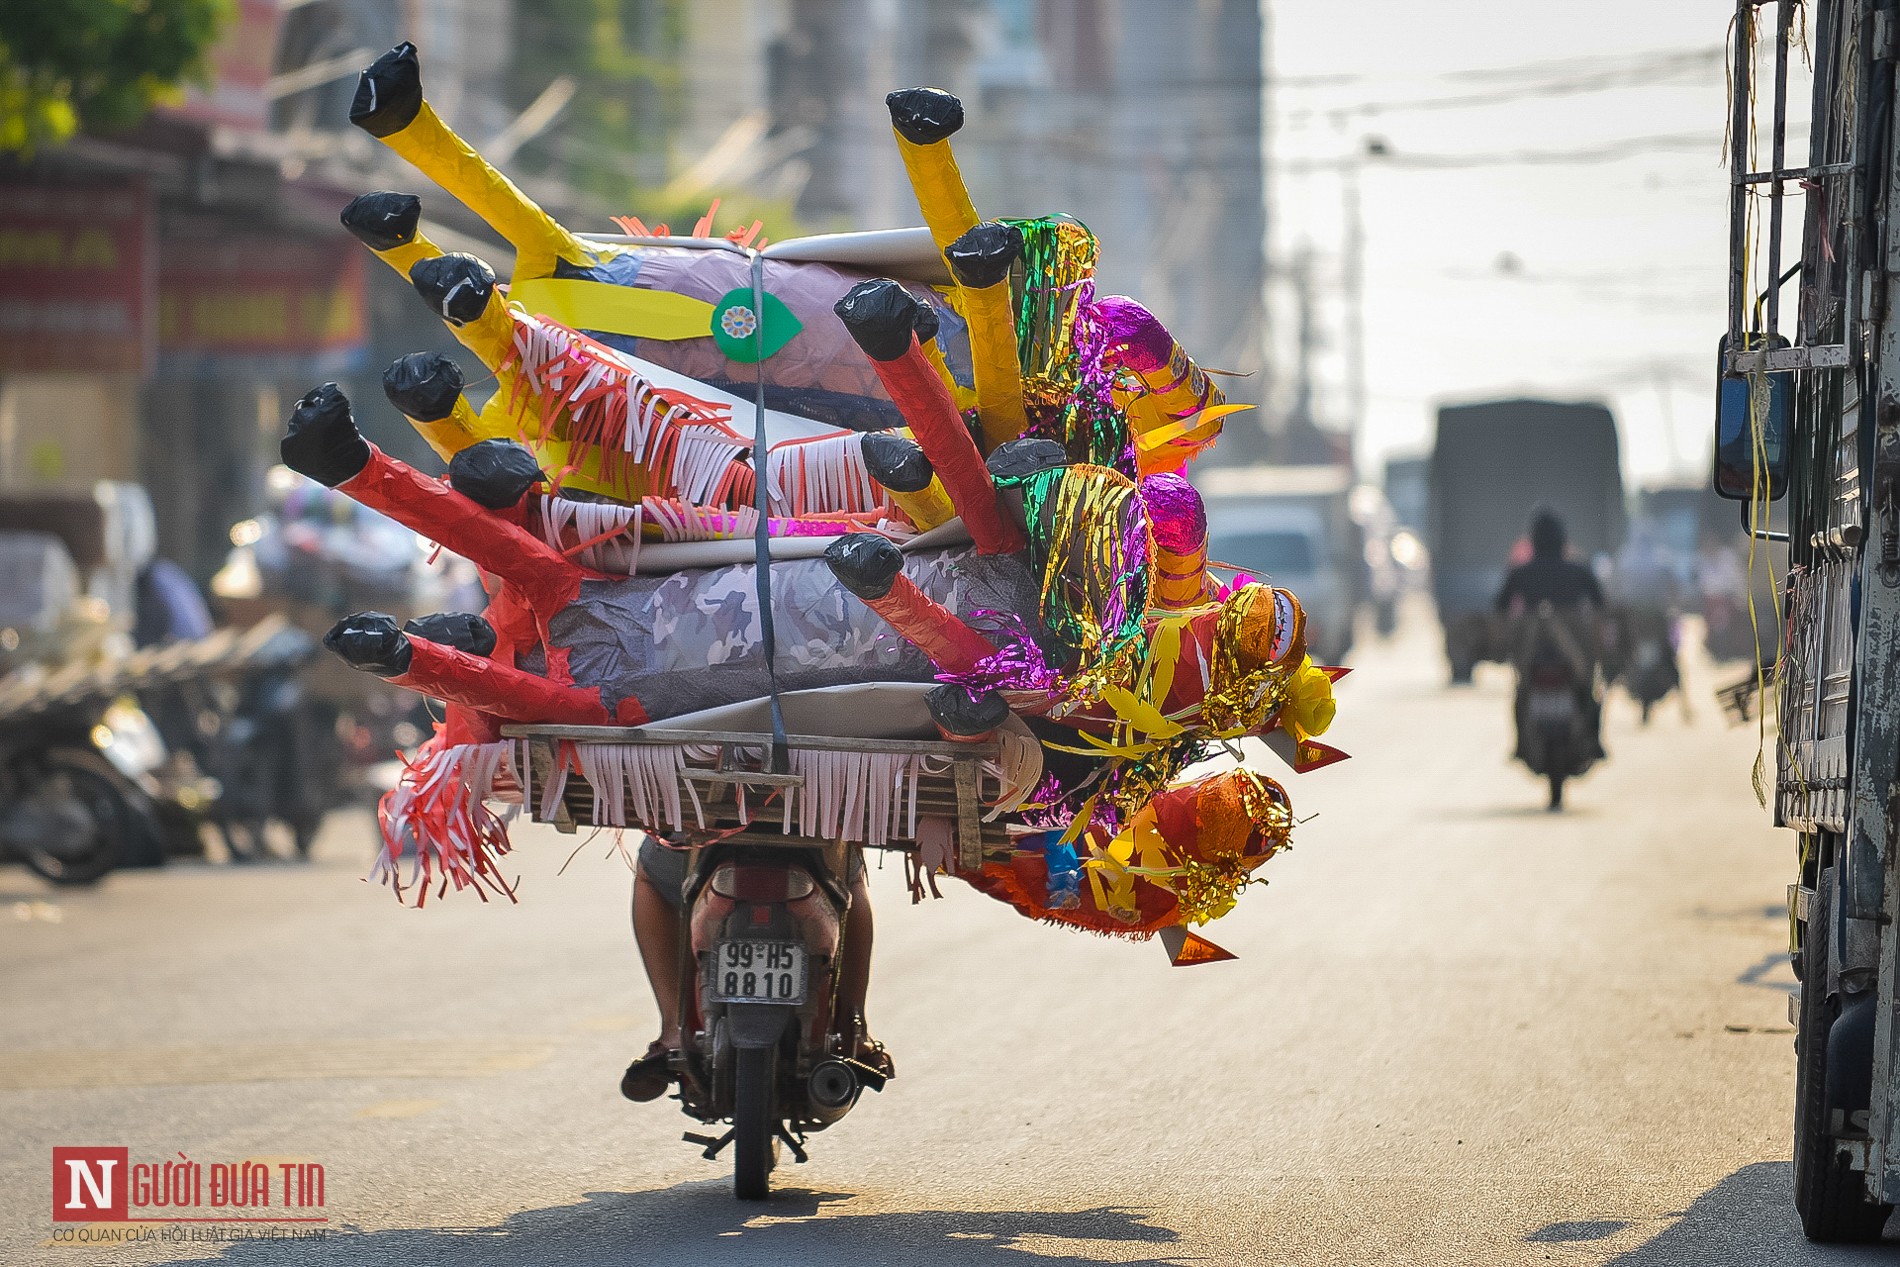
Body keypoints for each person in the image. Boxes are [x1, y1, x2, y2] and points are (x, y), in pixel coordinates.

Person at [618, 835, 886, 1102]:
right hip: (812, 832)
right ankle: (856, 1029)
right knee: (852, 883)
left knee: (649, 879)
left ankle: (673, 1031)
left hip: (705, 831)